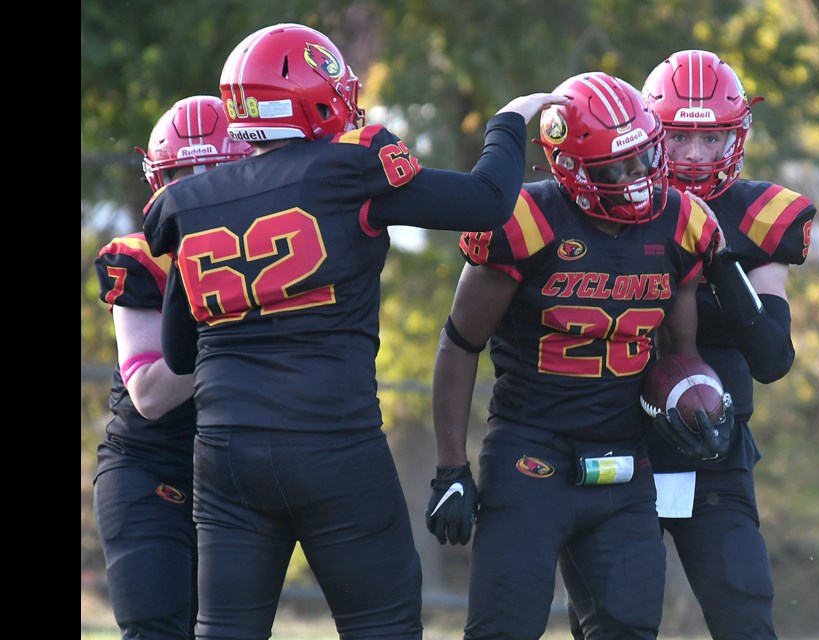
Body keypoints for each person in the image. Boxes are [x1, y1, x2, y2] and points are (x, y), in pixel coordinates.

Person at [141, 22, 568, 640]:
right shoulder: (349, 166)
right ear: (315, 96)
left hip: (226, 453)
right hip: (331, 442)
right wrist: (507, 120)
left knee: (225, 631)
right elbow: (487, 201)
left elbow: (180, 352)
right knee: (384, 626)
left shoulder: (192, 200)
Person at [425, 71, 732, 640]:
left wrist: (692, 404)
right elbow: (460, 342)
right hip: (529, 456)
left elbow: (678, 357)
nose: (637, 179)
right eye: (615, 168)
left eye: (643, 158)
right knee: (504, 628)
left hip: (623, 462)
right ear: (569, 168)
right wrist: (450, 465)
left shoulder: (683, 223)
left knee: (632, 627)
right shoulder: (526, 219)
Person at [569, 50, 818, 639]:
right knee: (614, 626)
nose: (695, 156)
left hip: (713, 446)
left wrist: (714, 250)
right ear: (650, 131)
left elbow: (772, 358)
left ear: (738, 136)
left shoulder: (759, 216)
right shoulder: (601, 200)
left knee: (745, 617)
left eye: (713, 139)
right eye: (680, 137)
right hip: (614, 445)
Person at [93, 95, 251, 639]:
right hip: (152, 469)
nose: (192, 193)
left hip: (238, 479)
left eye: (208, 176)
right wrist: (242, 337)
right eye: (180, 175)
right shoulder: (141, 257)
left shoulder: (278, 251)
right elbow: (151, 394)